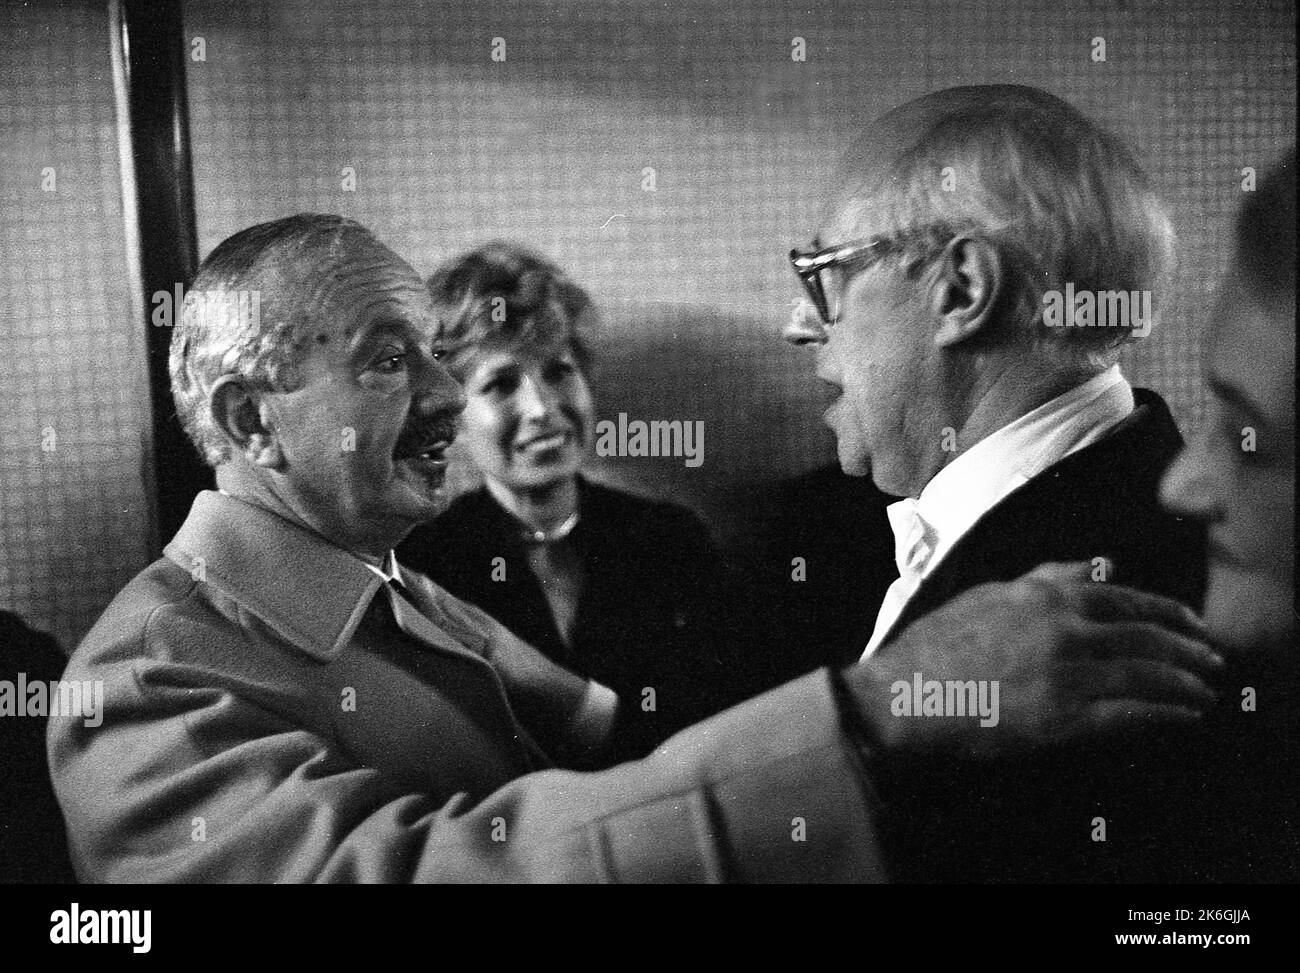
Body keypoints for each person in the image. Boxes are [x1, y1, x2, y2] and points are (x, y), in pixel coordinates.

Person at [45, 213, 1218, 883]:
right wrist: (869, 710)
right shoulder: (145, 677)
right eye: (392, 358)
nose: (457, 400)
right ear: (254, 420)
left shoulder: (403, 593)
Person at [778, 84, 1214, 880]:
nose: (800, 323)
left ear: (962, 290)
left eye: (824, 275)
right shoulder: (830, 528)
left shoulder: (1116, 607)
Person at [398, 244, 752, 766]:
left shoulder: (669, 538)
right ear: (452, 416)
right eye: (500, 384)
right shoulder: (425, 563)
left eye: (559, 372)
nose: (541, 409)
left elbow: (724, 730)